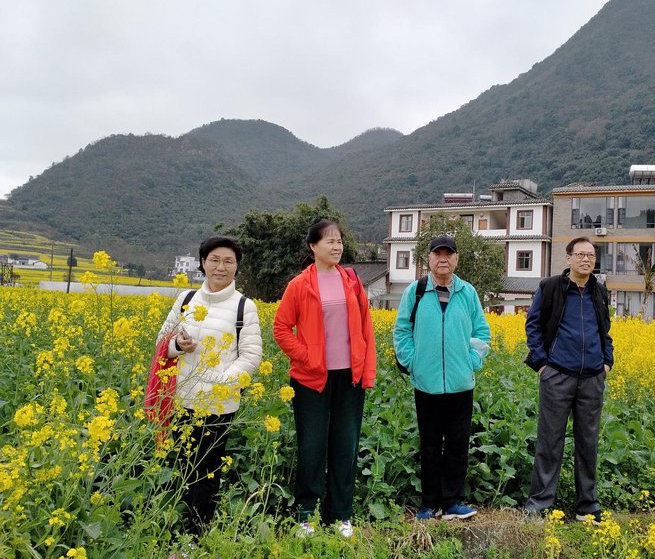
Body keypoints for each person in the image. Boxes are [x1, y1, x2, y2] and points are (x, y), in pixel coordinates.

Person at [273, 219, 377, 538]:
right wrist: (307, 356)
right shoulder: (299, 285)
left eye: (340, 241)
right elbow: (281, 328)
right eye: (330, 241)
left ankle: (341, 515)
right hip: (310, 379)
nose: (337, 246)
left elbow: (366, 328)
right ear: (313, 246)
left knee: (346, 445)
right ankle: (306, 515)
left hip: (349, 377)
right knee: (312, 447)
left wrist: (367, 371)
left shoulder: (352, 281)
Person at [158, 235, 263, 536]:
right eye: (214, 260)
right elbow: (162, 342)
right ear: (203, 263)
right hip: (182, 398)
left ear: (237, 267)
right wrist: (177, 345)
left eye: (229, 261)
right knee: (182, 466)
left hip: (218, 405)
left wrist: (219, 383)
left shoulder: (244, 306)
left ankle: (197, 534)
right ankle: (178, 529)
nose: (221, 267)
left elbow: (251, 356)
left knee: (206, 472)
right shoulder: (186, 300)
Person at [393, 235, 491, 521]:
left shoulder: (468, 292)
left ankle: (452, 502)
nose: (443, 259)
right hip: (426, 383)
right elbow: (401, 330)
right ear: (429, 259)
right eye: (438, 254)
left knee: (458, 444)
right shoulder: (416, 291)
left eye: (449, 254)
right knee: (430, 444)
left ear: (457, 259)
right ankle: (429, 504)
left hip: (461, 383)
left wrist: (472, 361)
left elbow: (482, 332)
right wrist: (413, 362)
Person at [522, 237, 613, 524]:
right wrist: (542, 365)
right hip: (557, 375)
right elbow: (533, 325)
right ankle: (539, 505)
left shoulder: (599, 291)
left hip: (592, 378)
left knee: (588, 443)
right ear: (569, 258)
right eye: (581, 254)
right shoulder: (551, 287)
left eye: (591, 255)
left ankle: (587, 506)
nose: (586, 260)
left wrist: (607, 362)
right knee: (549, 441)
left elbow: (605, 330)